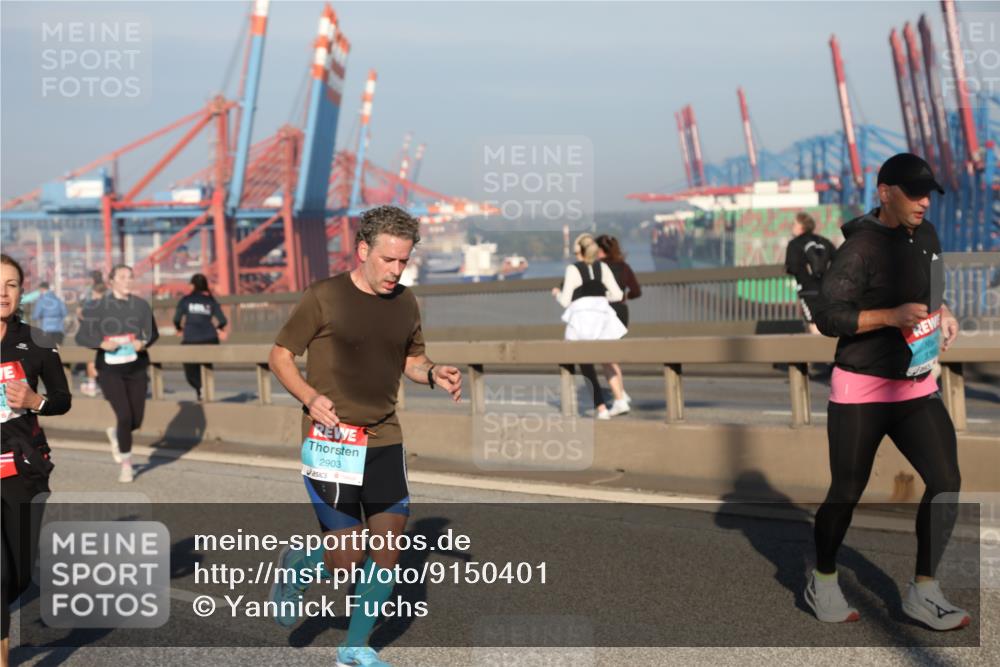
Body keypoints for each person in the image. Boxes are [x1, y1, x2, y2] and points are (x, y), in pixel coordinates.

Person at [267, 205, 462, 666]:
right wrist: (310, 398)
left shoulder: (407, 302)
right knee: (347, 559)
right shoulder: (324, 297)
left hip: (385, 437)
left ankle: (354, 647)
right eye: (388, 260)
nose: (396, 271)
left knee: (389, 548)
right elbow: (279, 356)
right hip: (331, 439)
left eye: (403, 261)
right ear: (362, 251)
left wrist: (434, 373)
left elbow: (411, 361)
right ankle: (300, 563)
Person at [808, 153, 970, 630]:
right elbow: (828, 317)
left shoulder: (928, 235)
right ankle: (823, 578)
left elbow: (934, 285)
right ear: (885, 193)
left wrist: (945, 313)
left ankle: (923, 590)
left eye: (928, 194)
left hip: (916, 385)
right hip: (862, 386)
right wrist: (890, 316)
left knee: (946, 483)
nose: (924, 202)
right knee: (847, 490)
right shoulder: (860, 249)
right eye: (914, 193)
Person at [1, 254, 71, 664]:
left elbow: (62, 399)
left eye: (11, 284)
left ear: (21, 291)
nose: (2, 292)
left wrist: (35, 400)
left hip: (23, 468)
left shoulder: (38, 340)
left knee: (20, 574)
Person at [75, 265, 158, 484]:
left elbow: (152, 333)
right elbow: (82, 337)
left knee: (136, 420)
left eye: (131, 277)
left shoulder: (140, 305)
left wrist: (143, 341)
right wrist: (101, 343)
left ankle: (117, 434)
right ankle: (126, 465)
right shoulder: (98, 306)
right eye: (122, 277)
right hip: (110, 370)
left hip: (136, 367)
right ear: (111, 281)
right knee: (124, 416)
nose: (128, 281)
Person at [552, 233, 626, 420]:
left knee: (585, 363)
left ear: (578, 251)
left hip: (582, 318)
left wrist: (557, 293)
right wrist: (601, 299)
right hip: (602, 316)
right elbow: (617, 295)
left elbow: (565, 301)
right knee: (608, 359)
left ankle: (601, 408)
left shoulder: (573, 269)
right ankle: (620, 399)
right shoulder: (603, 267)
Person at [595, 234, 642, 416]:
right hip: (622, 312)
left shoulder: (598, 268)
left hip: (605, 313)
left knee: (607, 357)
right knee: (610, 355)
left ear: (600, 250)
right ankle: (620, 392)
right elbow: (637, 291)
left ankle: (620, 398)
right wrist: (624, 297)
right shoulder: (624, 267)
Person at [173, 273, 227, 401]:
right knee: (206, 365)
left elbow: (176, 319)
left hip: (191, 339)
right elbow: (223, 320)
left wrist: (179, 329)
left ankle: (200, 388)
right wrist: (219, 329)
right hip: (211, 339)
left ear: (192, 285)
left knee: (190, 370)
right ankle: (205, 390)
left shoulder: (185, 300)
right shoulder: (211, 300)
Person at [785, 212, 836, 335]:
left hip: (807, 289)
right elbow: (838, 260)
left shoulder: (794, 244)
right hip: (828, 289)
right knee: (828, 321)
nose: (792, 226)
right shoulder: (825, 241)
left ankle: (820, 352)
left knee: (813, 323)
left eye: (794, 224)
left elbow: (791, 267)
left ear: (801, 226)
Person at [77, 271, 107, 397]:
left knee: (91, 359)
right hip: (106, 334)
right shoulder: (108, 292)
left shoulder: (88, 294)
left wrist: (84, 322)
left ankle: (92, 385)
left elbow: (80, 311)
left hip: (91, 333)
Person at [29, 282, 67, 346]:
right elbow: (65, 312)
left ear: (41, 289)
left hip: (46, 327)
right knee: (58, 347)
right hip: (59, 328)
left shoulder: (41, 300)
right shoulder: (58, 299)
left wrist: (32, 317)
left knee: (47, 347)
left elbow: (36, 315)